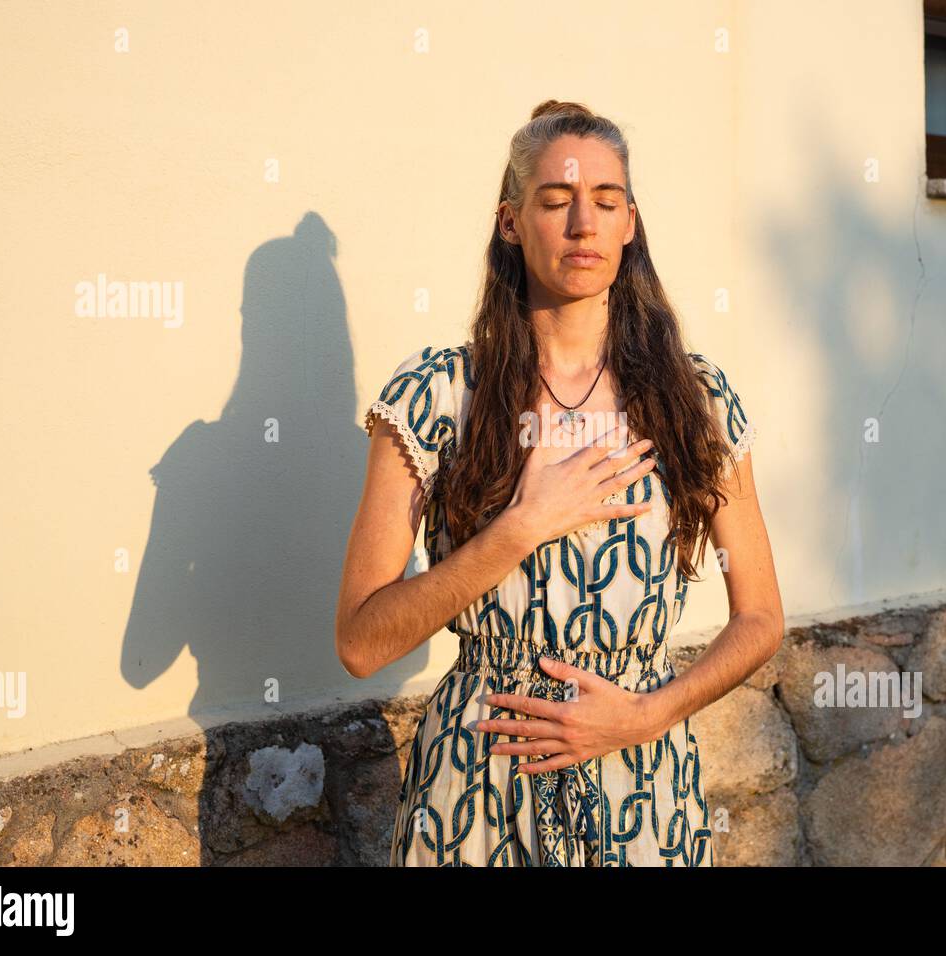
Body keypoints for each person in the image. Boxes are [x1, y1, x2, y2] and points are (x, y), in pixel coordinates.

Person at [335, 100, 784, 866]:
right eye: (556, 201)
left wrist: (643, 716)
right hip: (473, 791)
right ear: (511, 222)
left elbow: (761, 618)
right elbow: (360, 642)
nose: (583, 225)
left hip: (641, 788)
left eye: (606, 202)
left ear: (630, 223)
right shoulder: (438, 397)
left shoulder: (693, 401)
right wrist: (519, 527)